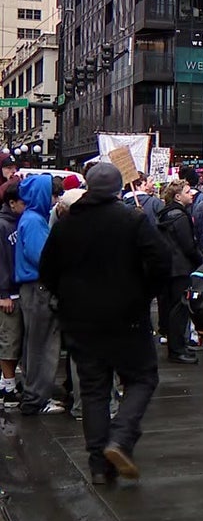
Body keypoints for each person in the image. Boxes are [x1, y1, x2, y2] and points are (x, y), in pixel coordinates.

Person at [40, 163, 171, 483]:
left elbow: (47, 269)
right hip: (126, 315)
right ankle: (121, 437)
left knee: (94, 390)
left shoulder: (66, 224)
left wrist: (67, 297)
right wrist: (145, 292)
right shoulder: (132, 219)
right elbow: (161, 261)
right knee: (142, 377)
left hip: (80, 320)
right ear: (117, 189)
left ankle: (99, 464)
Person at [15, 174, 63, 415]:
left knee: (36, 343)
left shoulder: (32, 218)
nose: (55, 199)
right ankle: (37, 397)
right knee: (42, 345)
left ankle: (34, 394)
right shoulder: (34, 221)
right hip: (38, 288)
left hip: (33, 288)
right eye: (52, 194)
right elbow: (42, 257)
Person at [157, 180, 203, 364]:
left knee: (172, 308)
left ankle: (176, 345)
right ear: (178, 196)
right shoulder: (181, 217)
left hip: (169, 267)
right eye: (187, 191)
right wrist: (198, 260)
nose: (191, 193)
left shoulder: (165, 214)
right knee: (179, 309)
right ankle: (177, 349)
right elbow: (188, 245)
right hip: (181, 268)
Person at [0, 181, 21, 408]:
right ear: (12, 202)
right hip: (9, 293)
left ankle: (6, 383)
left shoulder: (15, 221)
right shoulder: (3, 225)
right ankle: (9, 386)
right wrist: (3, 293)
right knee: (9, 340)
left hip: (15, 289)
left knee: (12, 339)